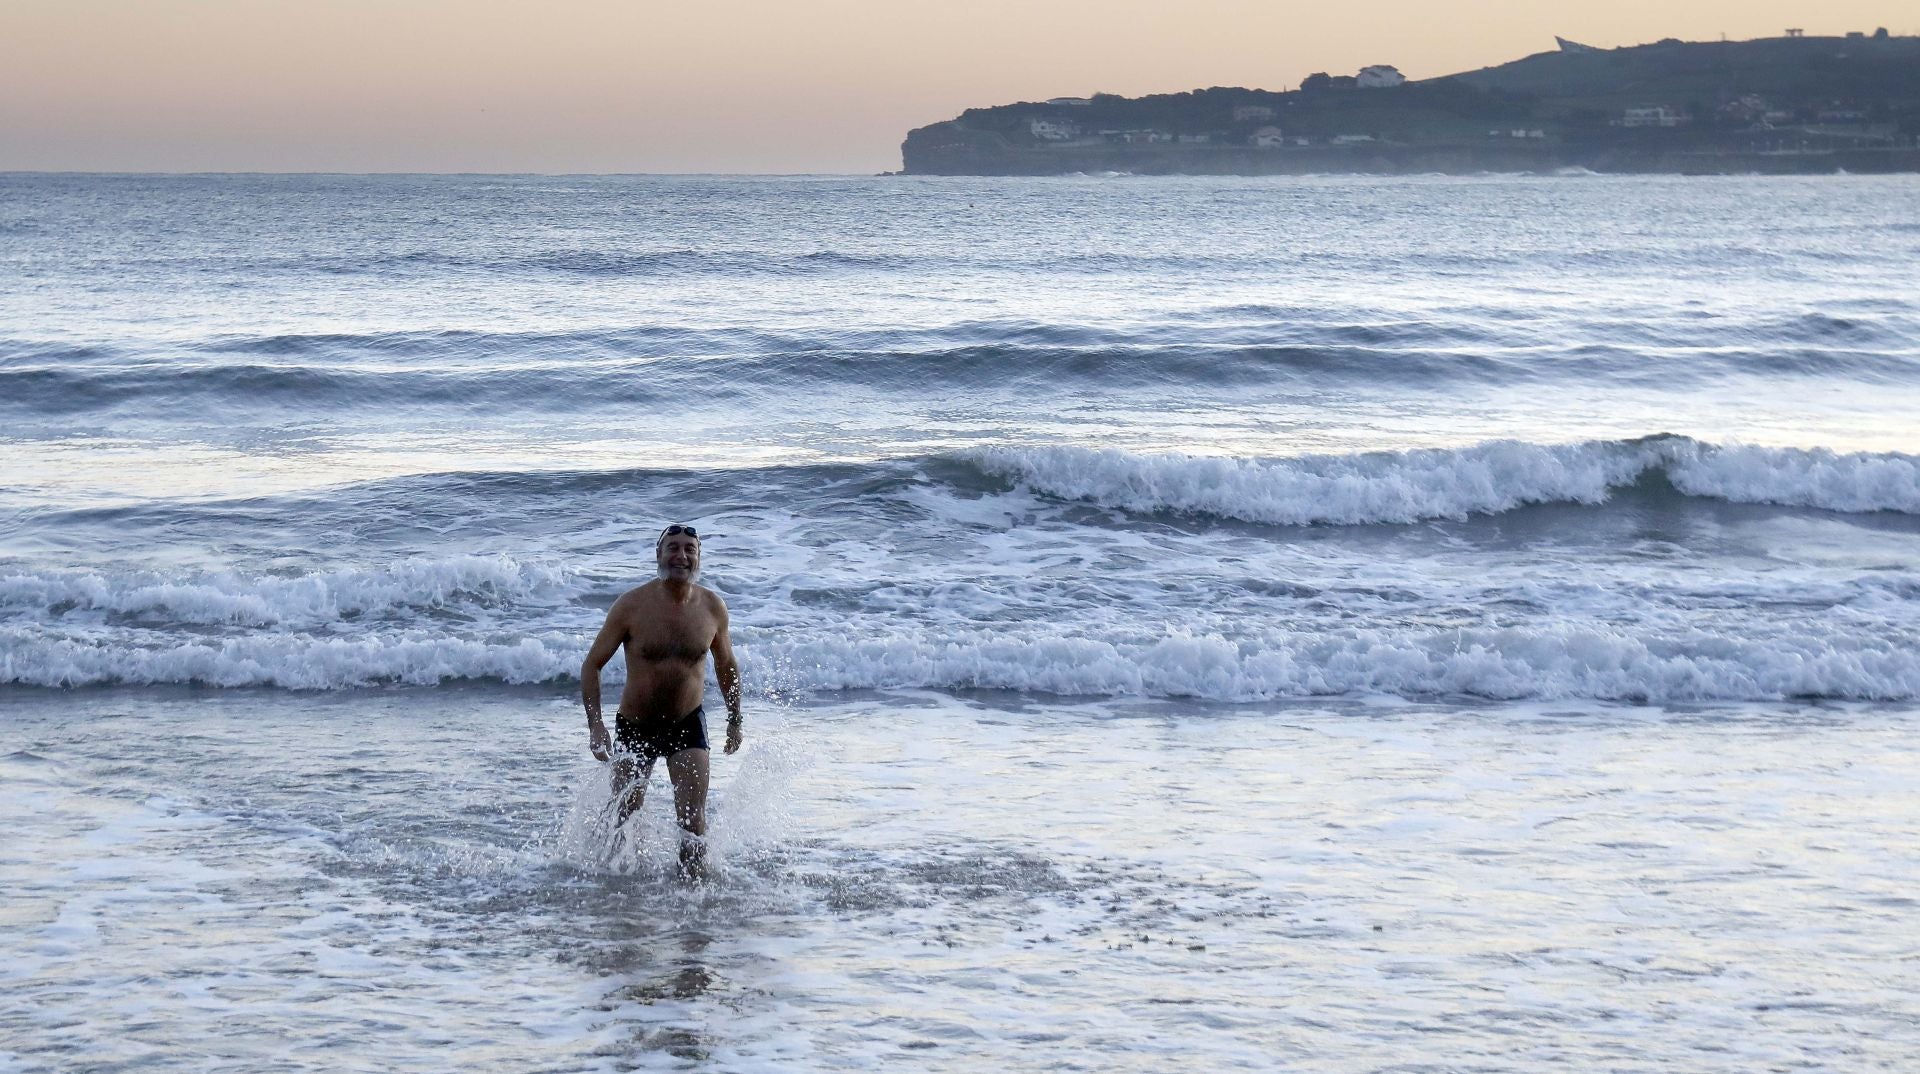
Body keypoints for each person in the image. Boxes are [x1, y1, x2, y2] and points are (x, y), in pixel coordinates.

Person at [581, 523, 742, 878]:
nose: (680, 555)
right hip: (636, 726)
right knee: (624, 816)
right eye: (672, 548)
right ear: (658, 554)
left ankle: (692, 897)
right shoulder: (631, 606)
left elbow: (726, 665)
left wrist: (735, 718)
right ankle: (612, 893)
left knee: (692, 822)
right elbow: (592, 665)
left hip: (688, 722)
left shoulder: (713, 608)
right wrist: (596, 725)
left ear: (699, 557)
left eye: (689, 549)